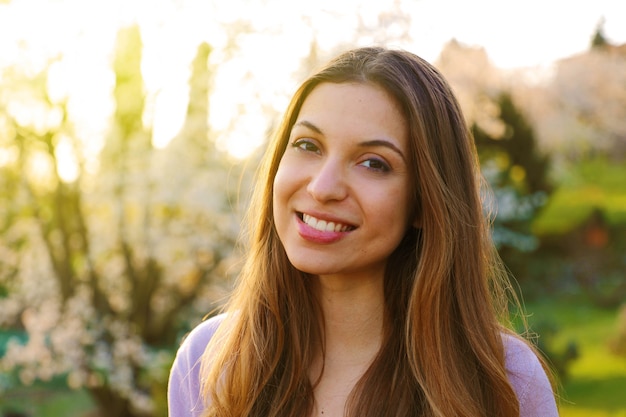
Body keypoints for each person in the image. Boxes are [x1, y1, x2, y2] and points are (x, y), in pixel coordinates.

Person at [168, 46, 559, 417]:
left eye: (373, 163)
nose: (323, 187)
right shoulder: (209, 361)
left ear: (425, 202)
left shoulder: (503, 380)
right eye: (308, 144)